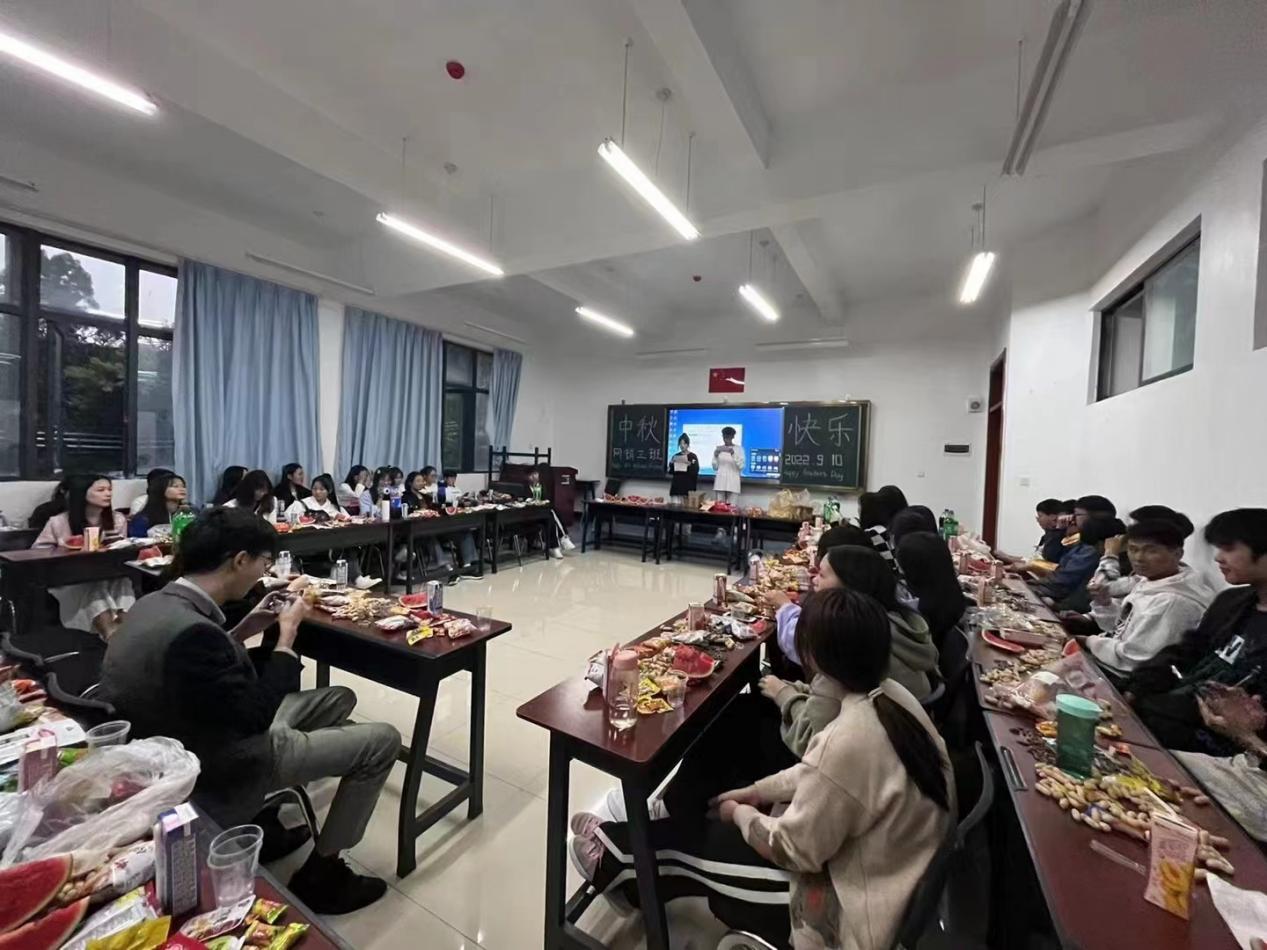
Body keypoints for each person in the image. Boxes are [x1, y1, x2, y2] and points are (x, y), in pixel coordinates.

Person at [571, 589, 953, 949]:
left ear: (817, 658)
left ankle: (611, 854)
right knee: (720, 821)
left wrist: (740, 814)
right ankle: (634, 881)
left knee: (700, 838)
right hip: (882, 872)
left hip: (842, 908)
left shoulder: (850, 738)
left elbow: (791, 848)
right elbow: (822, 774)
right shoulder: (891, 697)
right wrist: (756, 792)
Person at [99, 507, 399, 913]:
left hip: (177, 730)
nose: (264, 572)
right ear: (240, 560)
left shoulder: (154, 603)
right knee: (382, 741)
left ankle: (262, 821)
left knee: (337, 697)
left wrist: (247, 628)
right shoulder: (195, 634)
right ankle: (324, 873)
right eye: (264, 562)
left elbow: (199, 669)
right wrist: (286, 638)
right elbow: (254, 716)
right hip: (223, 758)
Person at [1124, 509, 1267, 756]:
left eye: (1229, 548)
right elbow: (1186, 652)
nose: (1218, 558)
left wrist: (1246, 734)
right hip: (1168, 714)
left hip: (1222, 751)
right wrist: (1135, 688)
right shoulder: (1232, 601)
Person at [770, 545, 938, 702]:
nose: (814, 580)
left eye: (822, 575)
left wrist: (784, 694)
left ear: (850, 585)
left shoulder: (856, 635)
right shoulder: (898, 619)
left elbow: (819, 714)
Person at [1081, 519, 1215, 681]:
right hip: (1108, 660)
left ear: (1177, 554)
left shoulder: (1172, 601)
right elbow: (1121, 627)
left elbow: (1135, 659)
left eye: (1151, 551)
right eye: (1133, 549)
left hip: (1123, 678)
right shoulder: (1153, 579)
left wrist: (1090, 642)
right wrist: (1105, 604)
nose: (1138, 558)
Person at [33, 474, 135, 637]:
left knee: (124, 583)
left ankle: (125, 635)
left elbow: (121, 546)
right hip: (69, 579)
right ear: (82, 494)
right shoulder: (58, 521)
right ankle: (111, 635)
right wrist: (66, 549)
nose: (108, 494)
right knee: (93, 587)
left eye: (109, 489)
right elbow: (38, 551)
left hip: (107, 574)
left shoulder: (118, 519)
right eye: (101, 490)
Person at [1031, 515, 1126, 610]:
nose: (1071, 521)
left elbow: (1065, 581)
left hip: (1073, 609)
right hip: (1065, 603)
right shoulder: (1081, 545)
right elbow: (1054, 562)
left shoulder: (1092, 552)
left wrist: (1110, 554)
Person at [128, 473, 189, 538]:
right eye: (175, 486)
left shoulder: (187, 513)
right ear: (161, 489)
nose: (182, 489)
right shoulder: (143, 519)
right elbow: (136, 541)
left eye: (183, 486)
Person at [711, 426, 743, 502]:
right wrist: (715, 456)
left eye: (728, 437)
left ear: (732, 437)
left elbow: (741, 466)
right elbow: (715, 467)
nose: (726, 439)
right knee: (719, 507)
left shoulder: (739, 449)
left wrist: (733, 454)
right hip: (720, 483)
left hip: (733, 484)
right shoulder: (719, 449)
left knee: (732, 507)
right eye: (724, 437)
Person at [668, 433, 699, 502]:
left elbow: (695, 471)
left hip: (688, 488)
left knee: (686, 507)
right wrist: (671, 464)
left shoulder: (693, 456)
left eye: (684, 443)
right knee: (674, 506)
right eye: (680, 443)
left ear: (688, 444)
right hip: (676, 488)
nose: (682, 445)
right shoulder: (675, 456)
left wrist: (690, 465)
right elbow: (671, 471)